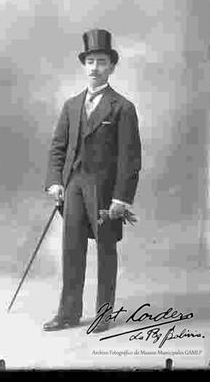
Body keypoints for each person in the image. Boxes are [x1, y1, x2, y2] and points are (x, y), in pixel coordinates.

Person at [44, 29, 141, 333]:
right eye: (89, 61)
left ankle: (103, 314)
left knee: (105, 251)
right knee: (71, 250)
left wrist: (121, 199)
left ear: (111, 67)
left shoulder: (122, 107)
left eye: (101, 61)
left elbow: (130, 159)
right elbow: (58, 147)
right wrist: (55, 182)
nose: (94, 68)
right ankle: (69, 312)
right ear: (83, 65)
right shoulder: (72, 105)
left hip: (105, 192)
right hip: (73, 187)